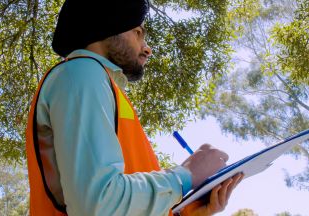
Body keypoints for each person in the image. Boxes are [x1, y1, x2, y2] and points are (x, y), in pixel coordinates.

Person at [25, 0, 243, 215]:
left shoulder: (102, 85)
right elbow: (97, 205)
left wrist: (191, 212)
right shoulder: (82, 73)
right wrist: (186, 174)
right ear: (107, 25)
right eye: (138, 32)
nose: (147, 49)